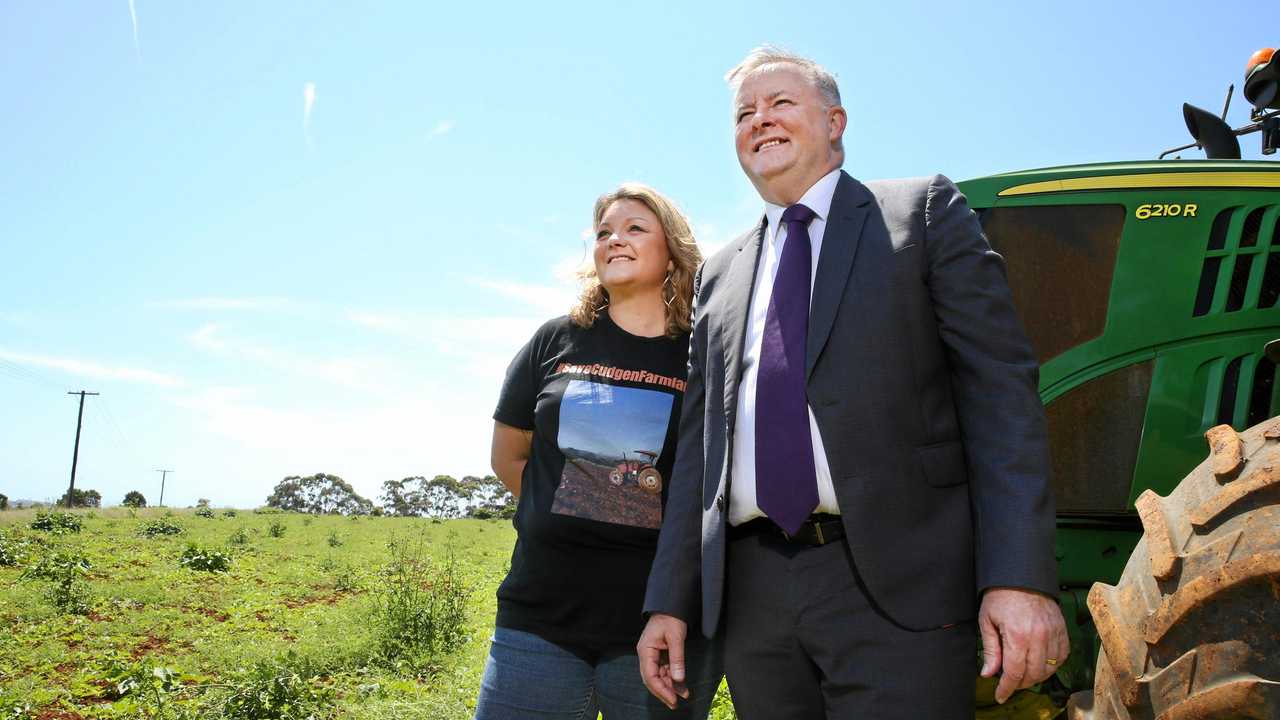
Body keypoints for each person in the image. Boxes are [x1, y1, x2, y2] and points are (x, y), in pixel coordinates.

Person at [637, 47, 1069, 719]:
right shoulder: (719, 275)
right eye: (744, 113)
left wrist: (1018, 579)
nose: (760, 120)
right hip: (754, 598)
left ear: (835, 122)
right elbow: (698, 453)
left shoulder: (921, 214)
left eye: (781, 103)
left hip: (900, 588)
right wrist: (670, 599)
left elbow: (1001, 397)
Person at [476, 183, 724, 720]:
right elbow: (509, 456)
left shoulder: (706, 354)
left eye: (635, 228)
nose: (615, 240)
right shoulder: (554, 341)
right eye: (605, 232)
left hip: (661, 624)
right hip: (538, 616)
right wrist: (570, 507)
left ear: (673, 250)